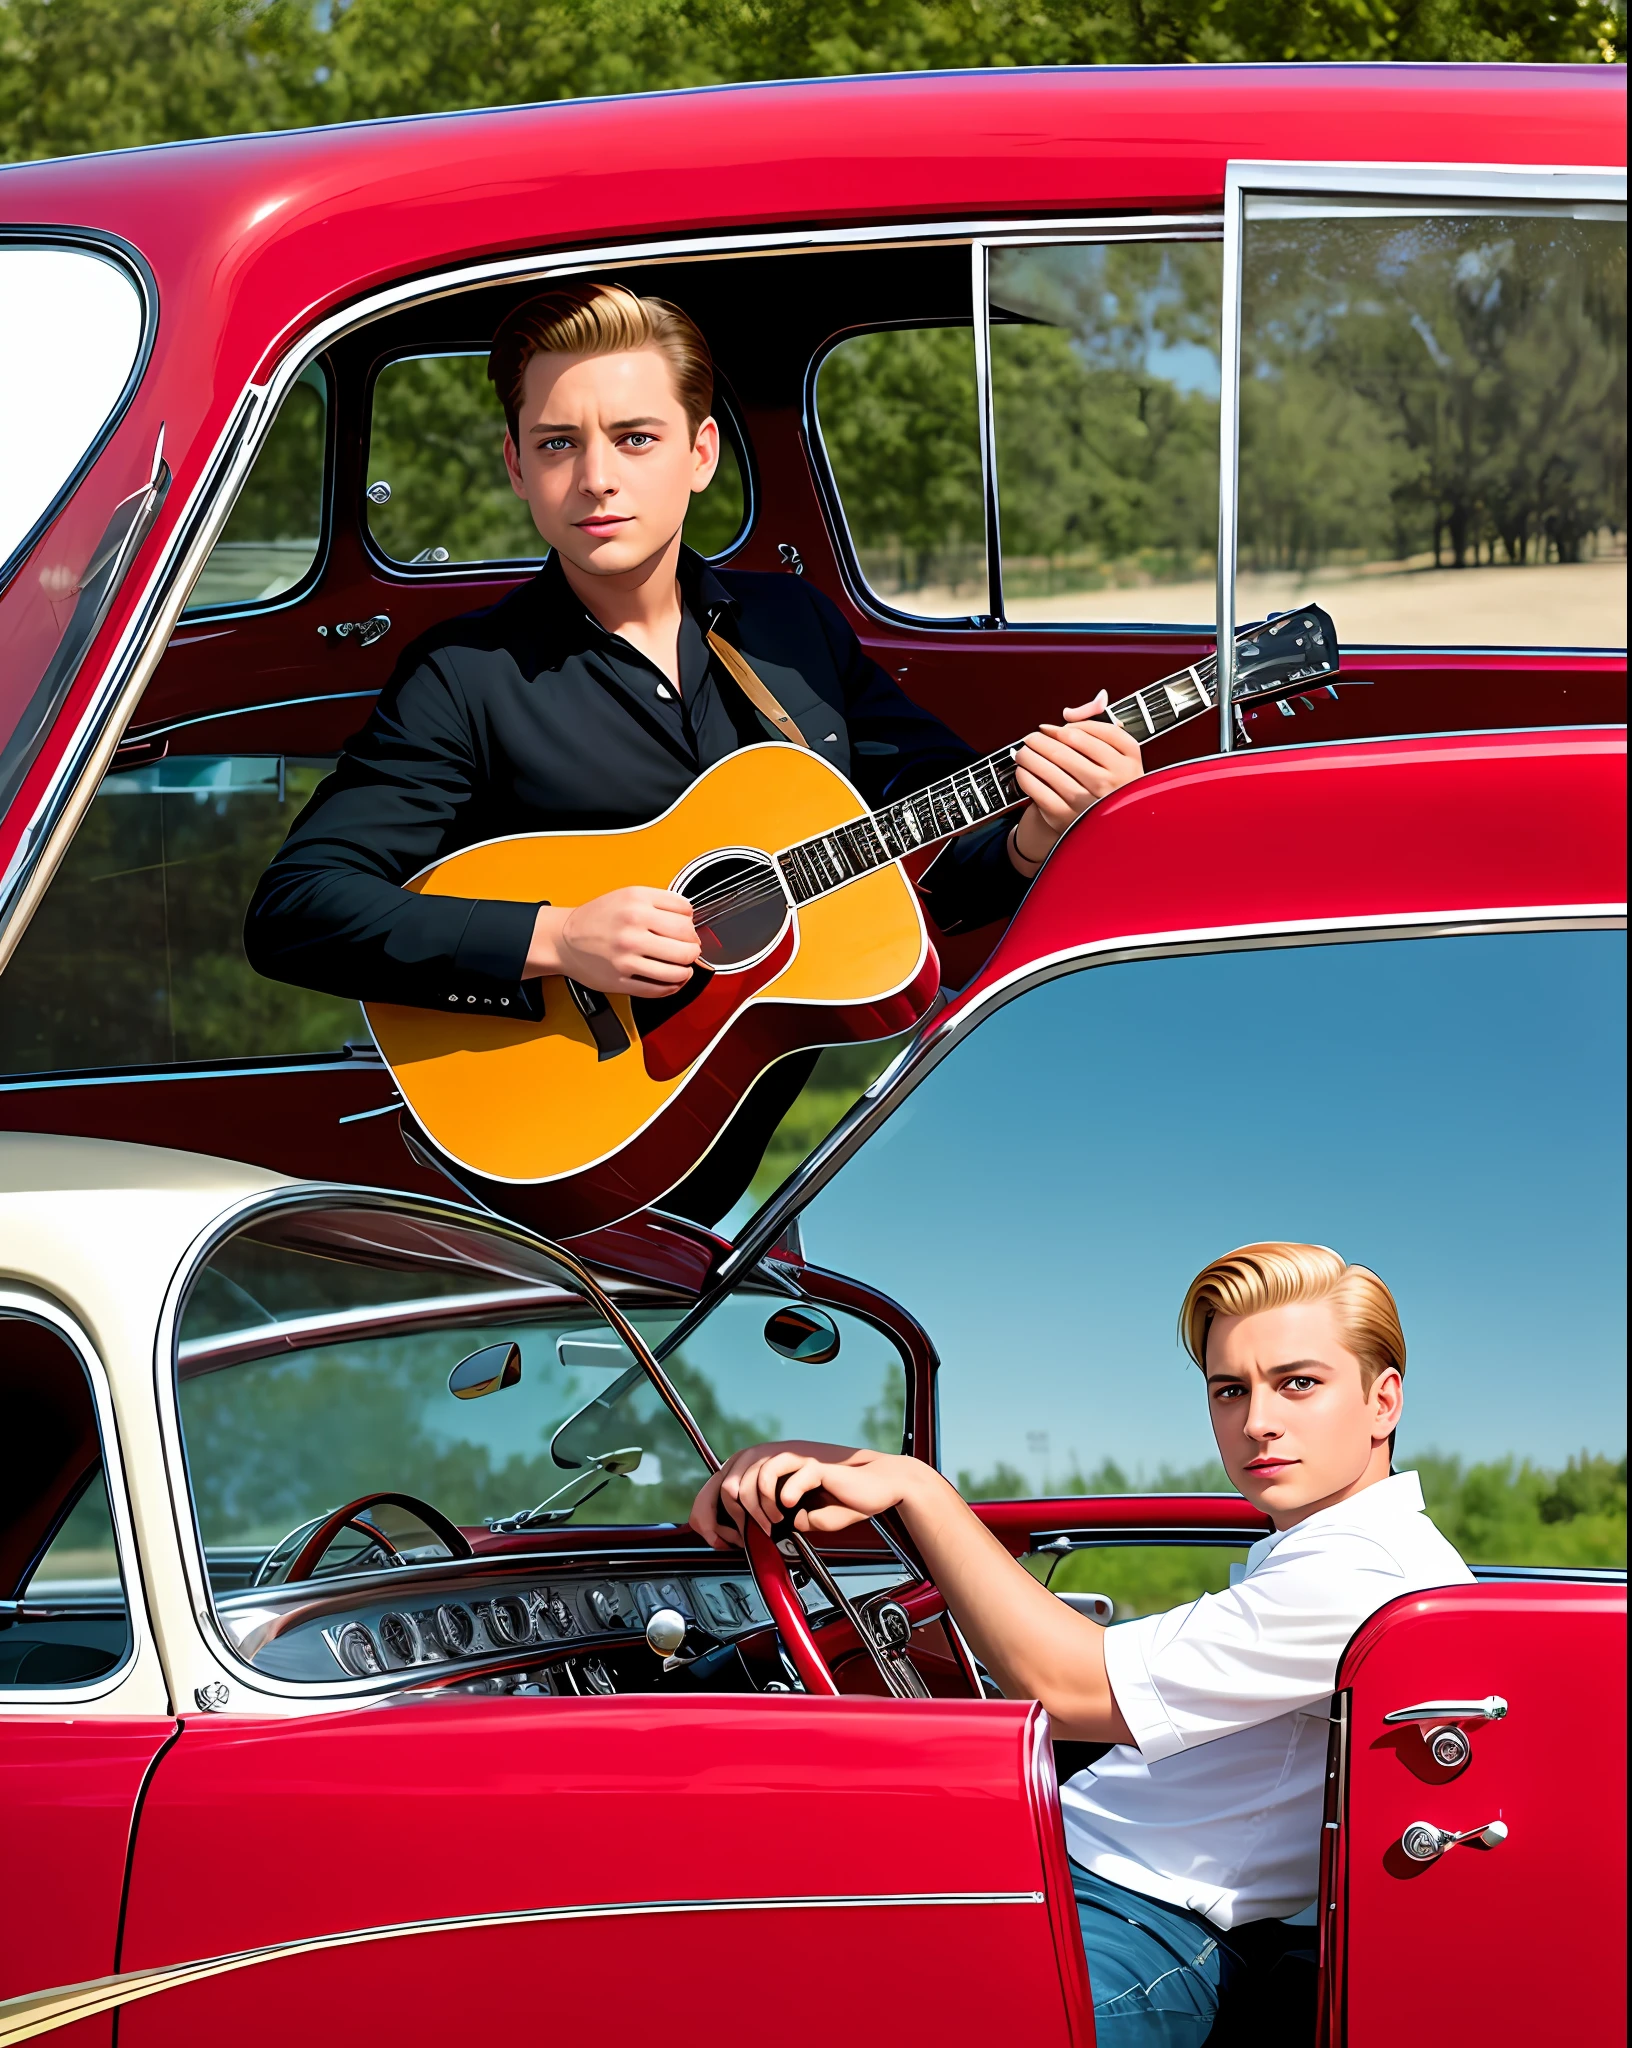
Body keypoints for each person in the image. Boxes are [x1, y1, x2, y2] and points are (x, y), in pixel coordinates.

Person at [244, 282, 1143, 1224]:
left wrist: (1038, 837)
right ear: (516, 467)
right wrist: (557, 939)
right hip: (564, 1176)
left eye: (635, 438)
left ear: (700, 453)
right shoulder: (465, 676)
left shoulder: (794, 632)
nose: (596, 477)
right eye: (558, 443)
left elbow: (925, 871)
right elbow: (297, 911)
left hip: (828, 1169)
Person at [691, 1241, 1474, 2048]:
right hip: (1089, 1873)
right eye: (1230, 1390)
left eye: (1298, 1384)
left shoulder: (1361, 1571)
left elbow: (1066, 1687)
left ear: (1384, 1403)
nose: (1258, 1422)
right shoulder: (1329, 1547)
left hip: (1150, 1927)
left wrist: (916, 1489)